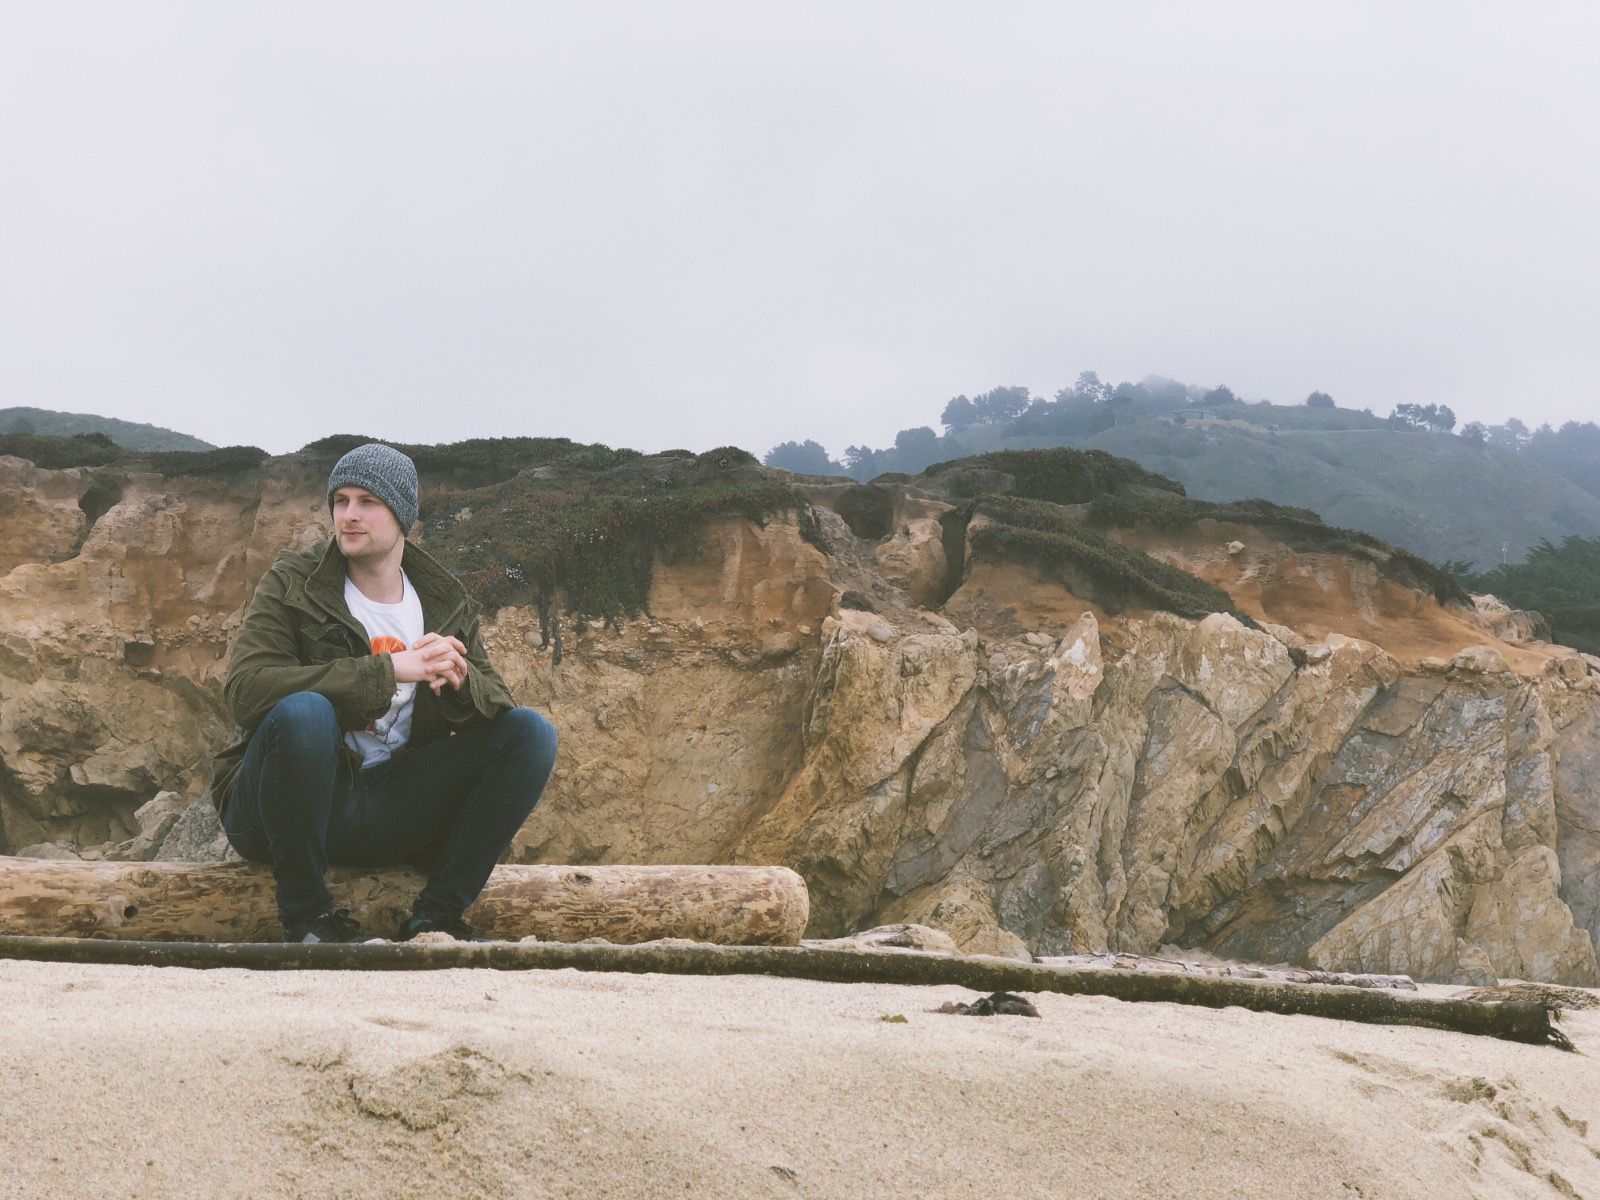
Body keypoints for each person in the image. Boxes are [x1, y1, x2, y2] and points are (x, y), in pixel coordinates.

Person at [208, 442, 558, 944]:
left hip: (391, 807)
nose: (349, 515)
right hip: (284, 811)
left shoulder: (442, 600)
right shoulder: (293, 583)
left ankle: (437, 919)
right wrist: (387, 669)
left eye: (367, 502)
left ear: (402, 515)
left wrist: (460, 678)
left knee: (531, 733)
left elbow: (498, 709)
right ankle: (308, 919)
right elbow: (246, 692)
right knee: (305, 712)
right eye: (340, 501)